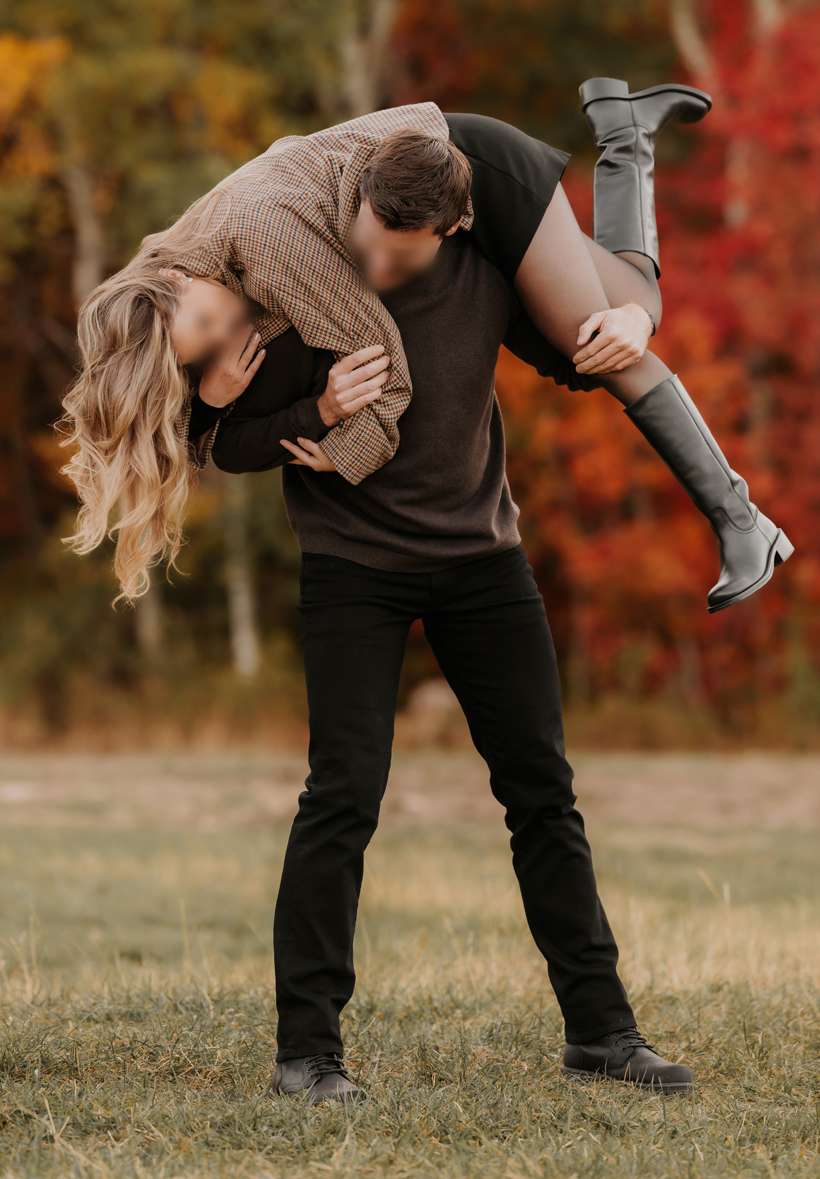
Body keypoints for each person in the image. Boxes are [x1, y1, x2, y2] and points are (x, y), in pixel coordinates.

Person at [184, 178, 694, 1103]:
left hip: (482, 561)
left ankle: (603, 1033)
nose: (375, 265)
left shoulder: (494, 268)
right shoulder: (301, 286)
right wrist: (301, 414)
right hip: (352, 569)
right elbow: (225, 443)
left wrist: (633, 320)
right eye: (365, 241)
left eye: (398, 249)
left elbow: (585, 347)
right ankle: (307, 1054)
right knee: (342, 796)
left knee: (542, 791)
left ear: (452, 225)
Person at [60, 85, 791, 617]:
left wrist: (340, 451)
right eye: (207, 348)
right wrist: (208, 403)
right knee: (599, 336)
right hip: (400, 203)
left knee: (601, 345)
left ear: (176, 280)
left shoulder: (270, 247)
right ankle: (626, 133)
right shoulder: (178, 267)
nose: (229, 340)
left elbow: (390, 378)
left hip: (459, 170)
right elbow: (191, 419)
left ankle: (740, 523)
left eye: (213, 324)